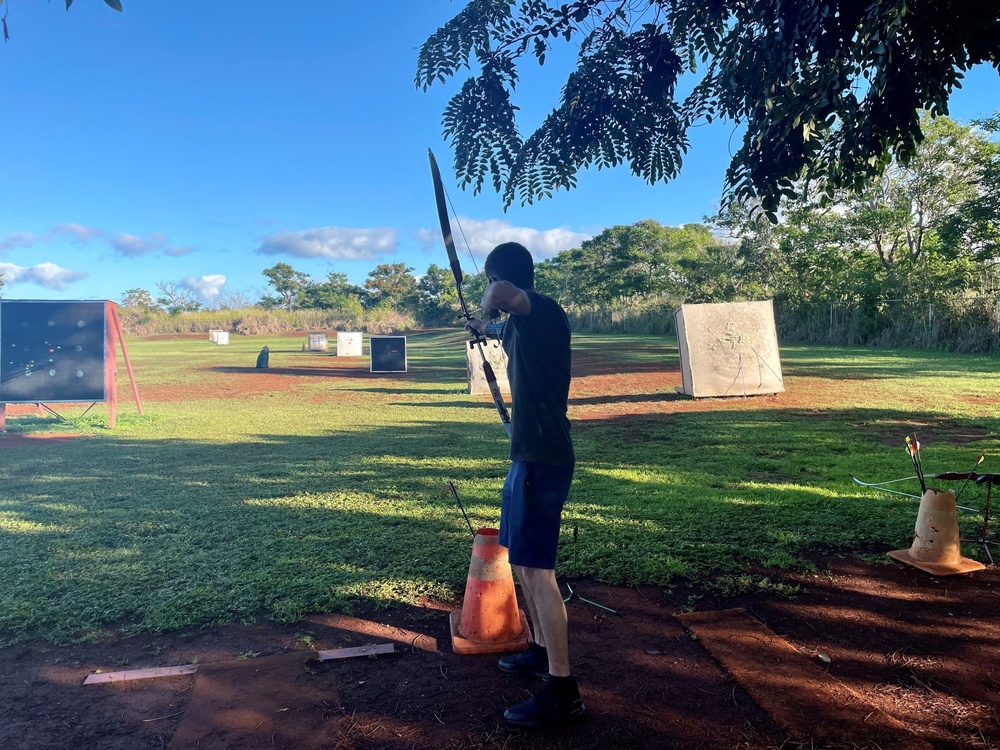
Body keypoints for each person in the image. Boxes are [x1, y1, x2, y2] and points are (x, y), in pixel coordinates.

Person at [465, 242, 584, 728]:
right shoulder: (519, 324)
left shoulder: (545, 310)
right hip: (527, 456)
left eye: (492, 280)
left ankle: (563, 689)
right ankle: (538, 649)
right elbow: (503, 319)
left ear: (503, 276)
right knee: (521, 558)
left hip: (544, 456)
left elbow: (501, 294)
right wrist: (484, 328)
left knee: (538, 572)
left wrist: (489, 297)